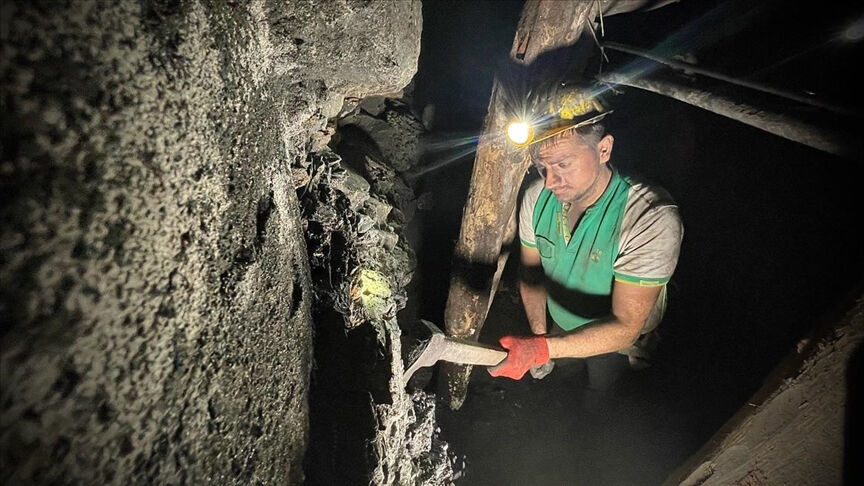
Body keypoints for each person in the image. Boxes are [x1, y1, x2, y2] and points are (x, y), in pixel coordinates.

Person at [490, 86, 683, 408]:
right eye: (543, 168)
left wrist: (543, 349)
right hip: (560, 321)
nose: (551, 181)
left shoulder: (649, 216)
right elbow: (532, 277)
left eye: (563, 164)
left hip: (618, 341)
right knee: (561, 374)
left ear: (604, 149)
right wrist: (540, 339)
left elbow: (624, 327)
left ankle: (595, 425)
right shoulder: (537, 198)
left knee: (605, 394)